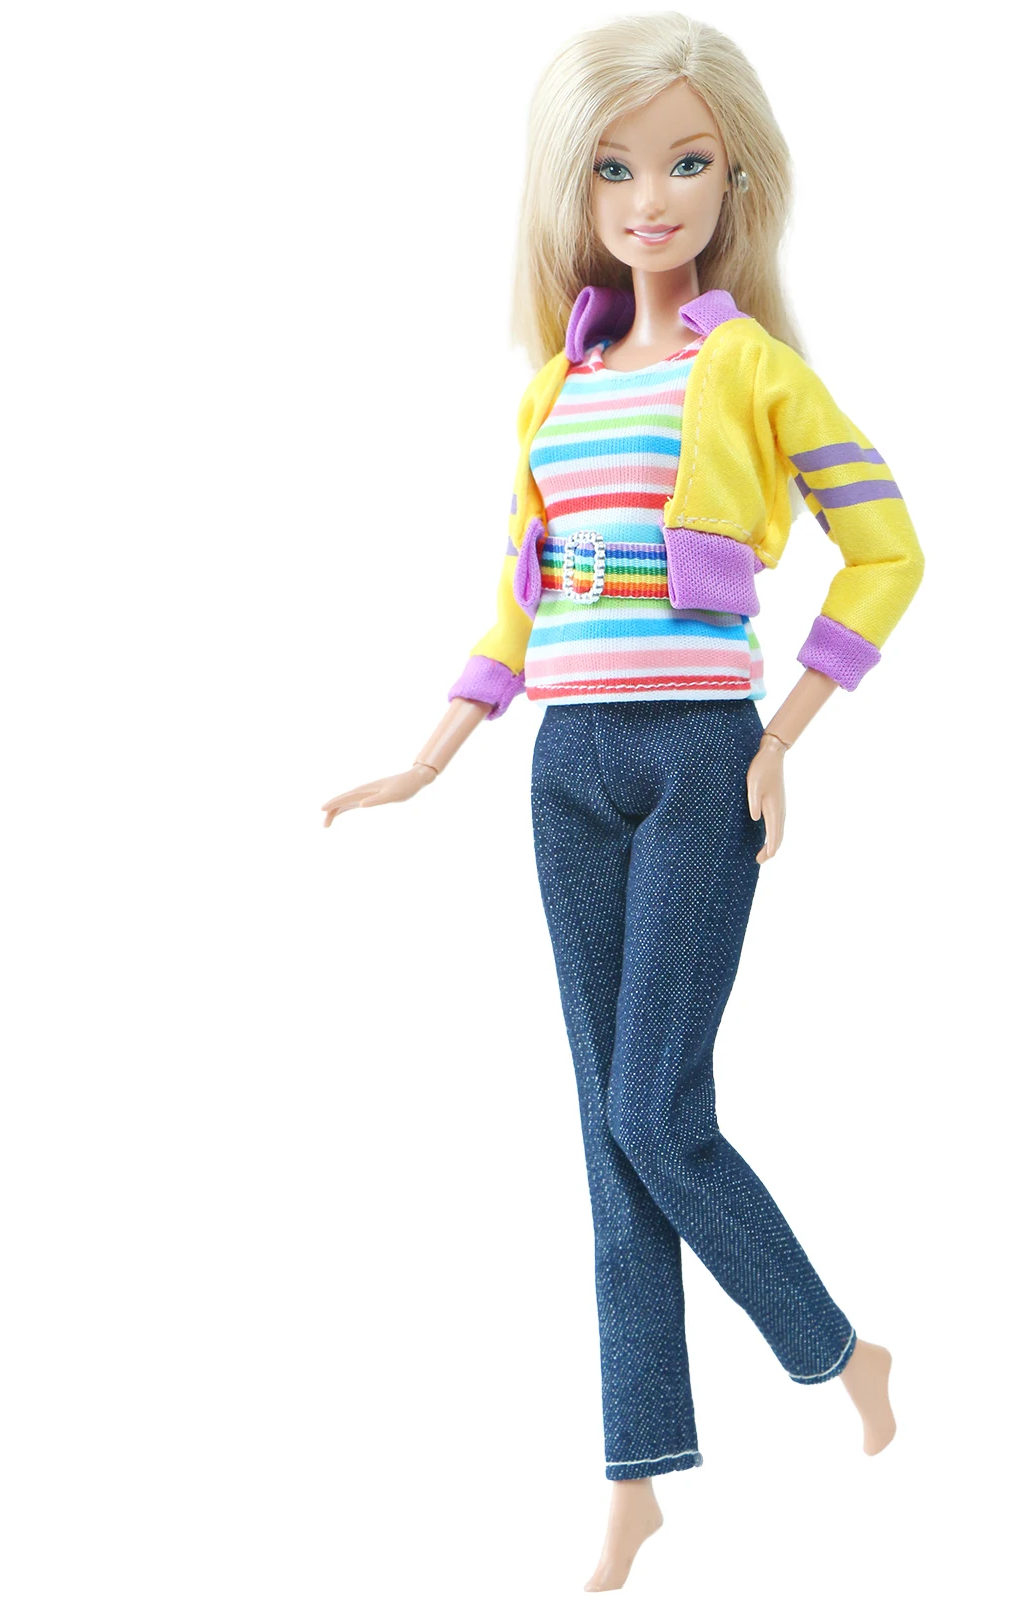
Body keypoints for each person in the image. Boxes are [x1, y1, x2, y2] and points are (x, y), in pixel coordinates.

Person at [323, 13, 923, 1591]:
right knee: (607, 1133)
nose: (650, 198)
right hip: (566, 769)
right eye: (612, 168)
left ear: (736, 179)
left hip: (698, 756)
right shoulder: (557, 390)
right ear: (570, 189)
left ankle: (838, 1350)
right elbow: (518, 595)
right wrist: (431, 751)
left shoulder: (753, 370)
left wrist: (783, 735)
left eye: (685, 163)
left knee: (658, 1111)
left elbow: (889, 550)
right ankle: (637, 1474)